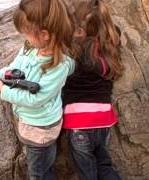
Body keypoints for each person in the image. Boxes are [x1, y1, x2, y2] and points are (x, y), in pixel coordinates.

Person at [0, 0, 75, 179]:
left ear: (45, 34)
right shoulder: (29, 49)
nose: (24, 39)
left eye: (27, 35)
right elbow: (10, 72)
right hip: (29, 124)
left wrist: (4, 91)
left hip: (41, 129)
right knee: (41, 168)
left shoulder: (58, 66)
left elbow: (36, 99)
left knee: (38, 174)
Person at [62, 0, 124, 179]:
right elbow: (114, 29)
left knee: (87, 173)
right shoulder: (112, 39)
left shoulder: (74, 49)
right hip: (104, 120)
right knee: (104, 165)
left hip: (79, 123)